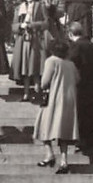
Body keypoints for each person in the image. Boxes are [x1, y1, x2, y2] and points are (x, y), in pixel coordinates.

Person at [33, 39, 79, 175]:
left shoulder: (51, 61)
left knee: (43, 126)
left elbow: (44, 82)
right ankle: (64, 160)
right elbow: (77, 79)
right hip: (68, 100)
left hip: (53, 99)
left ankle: (49, 154)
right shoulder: (70, 64)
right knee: (63, 130)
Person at [67, 21, 93, 154]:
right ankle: (86, 142)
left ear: (70, 34)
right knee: (87, 115)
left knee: (81, 114)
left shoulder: (76, 46)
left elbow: (71, 63)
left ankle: (91, 143)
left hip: (80, 86)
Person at [11, 0, 49, 101]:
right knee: (25, 66)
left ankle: (38, 90)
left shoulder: (40, 6)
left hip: (36, 39)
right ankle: (26, 92)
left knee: (36, 65)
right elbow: (13, 25)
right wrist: (20, 26)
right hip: (23, 40)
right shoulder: (19, 7)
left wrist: (33, 25)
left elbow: (46, 23)